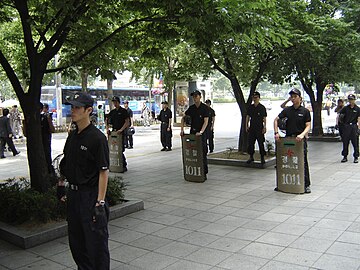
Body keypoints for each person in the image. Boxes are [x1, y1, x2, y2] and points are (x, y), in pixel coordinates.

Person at [59, 92, 110, 270]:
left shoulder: (97, 138)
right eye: (72, 107)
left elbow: (103, 172)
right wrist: (61, 185)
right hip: (74, 196)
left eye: (77, 108)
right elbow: (67, 162)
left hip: (90, 197)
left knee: (96, 246)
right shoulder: (73, 135)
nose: (73, 111)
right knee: (77, 244)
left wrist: (100, 203)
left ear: (88, 110)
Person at [274, 88, 312, 193]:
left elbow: (308, 125)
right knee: (286, 160)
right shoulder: (287, 110)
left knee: (302, 161)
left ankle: (306, 184)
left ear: (300, 98)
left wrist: (302, 134)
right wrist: (276, 133)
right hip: (289, 138)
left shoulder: (305, 111)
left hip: (300, 140)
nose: (293, 99)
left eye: (295, 96)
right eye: (292, 97)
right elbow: (276, 120)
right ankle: (282, 184)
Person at [180, 90, 209, 179]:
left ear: (200, 97)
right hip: (193, 133)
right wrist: (182, 130)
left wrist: (201, 132)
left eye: (196, 96)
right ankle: (193, 171)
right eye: (193, 97)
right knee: (192, 151)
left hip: (201, 134)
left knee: (202, 152)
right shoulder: (191, 108)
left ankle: (204, 172)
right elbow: (183, 118)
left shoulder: (205, 108)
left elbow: (206, 121)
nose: (195, 98)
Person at [106, 96, 129, 171]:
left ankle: (123, 164)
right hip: (114, 132)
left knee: (121, 149)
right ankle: (115, 165)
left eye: (116, 102)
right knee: (114, 149)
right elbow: (107, 120)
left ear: (119, 102)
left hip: (121, 132)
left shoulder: (123, 111)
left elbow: (127, 122)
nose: (115, 103)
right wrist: (107, 129)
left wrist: (121, 129)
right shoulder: (112, 112)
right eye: (113, 102)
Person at [246, 91, 267, 164]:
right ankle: (251, 157)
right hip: (252, 127)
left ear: (259, 98)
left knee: (261, 143)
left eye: (256, 97)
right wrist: (246, 125)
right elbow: (248, 117)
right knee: (251, 143)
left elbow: (264, 118)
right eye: (253, 98)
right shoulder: (250, 107)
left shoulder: (262, 107)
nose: (254, 99)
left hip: (259, 128)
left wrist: (264, 127)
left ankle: (262, 157)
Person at [338, 94, 360, 163]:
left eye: (352, 99)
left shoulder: (357, 109)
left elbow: (359, 118)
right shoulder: (345, 108)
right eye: (349, 100)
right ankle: (345, 156)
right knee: (345, 142)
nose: (350, 101)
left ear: (354, 100)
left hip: (353, 126)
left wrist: (358, 128)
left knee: (355, 142)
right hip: (346, 126)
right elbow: (340, 115)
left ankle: (356, 156)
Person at [40, 103, 55, 174]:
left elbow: (52, 129)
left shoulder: (48, 116)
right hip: (41, 140)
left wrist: (49, 119)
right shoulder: (38, 117)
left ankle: (49, 171)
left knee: (47, 155)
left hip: (46, 138)